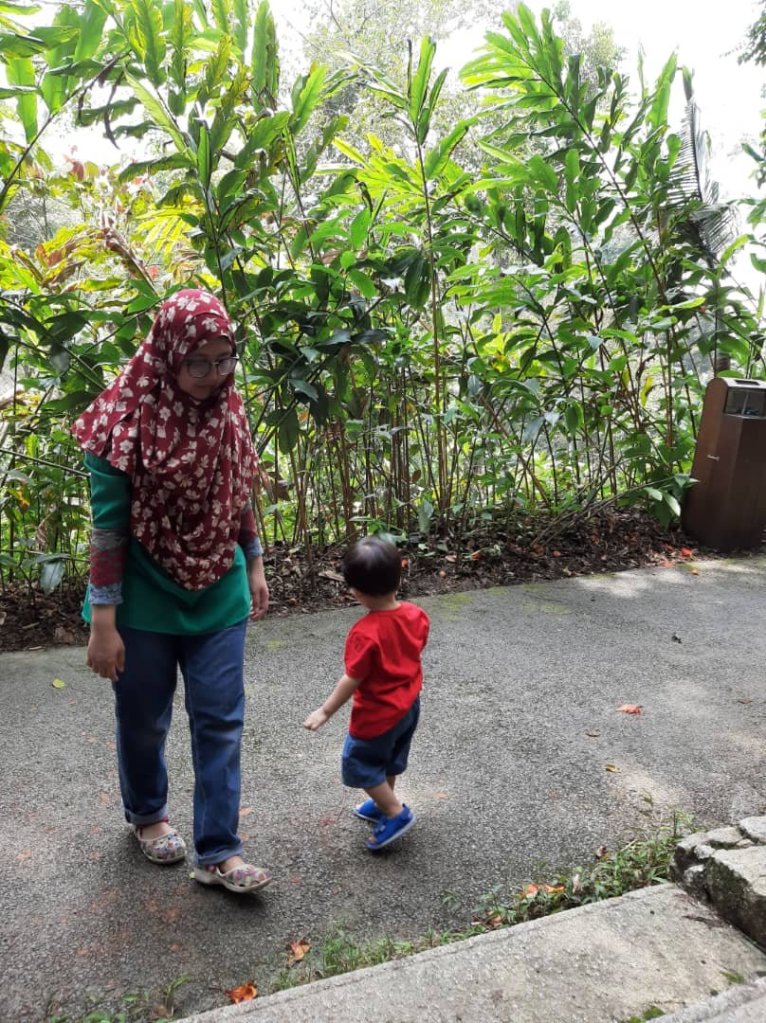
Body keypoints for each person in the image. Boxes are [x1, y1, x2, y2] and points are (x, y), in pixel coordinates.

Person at [72, 288, 272, 895]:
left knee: (220, 721)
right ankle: (148, 814)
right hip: (143, 598)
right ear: (167, 355)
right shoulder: (122, 425)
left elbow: (240, 492)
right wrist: (103, 622)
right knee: (142, 719)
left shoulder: (228, 413)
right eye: (198, 362)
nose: (213, 376)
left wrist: (254, 563)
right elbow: (109, 531)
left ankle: (219, 851)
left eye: (224, 359)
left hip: (219, 588)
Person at [303, 536, 429, 852]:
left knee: (359, 762)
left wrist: (325, 711)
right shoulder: (416, 614)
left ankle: (395, 813)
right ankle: (384, 801)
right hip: (408, 706)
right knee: (388, 759)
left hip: (378, 715)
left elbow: (353, 678)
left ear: (357, 592)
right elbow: (415, 650)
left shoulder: (365, 633)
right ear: (398, 577)